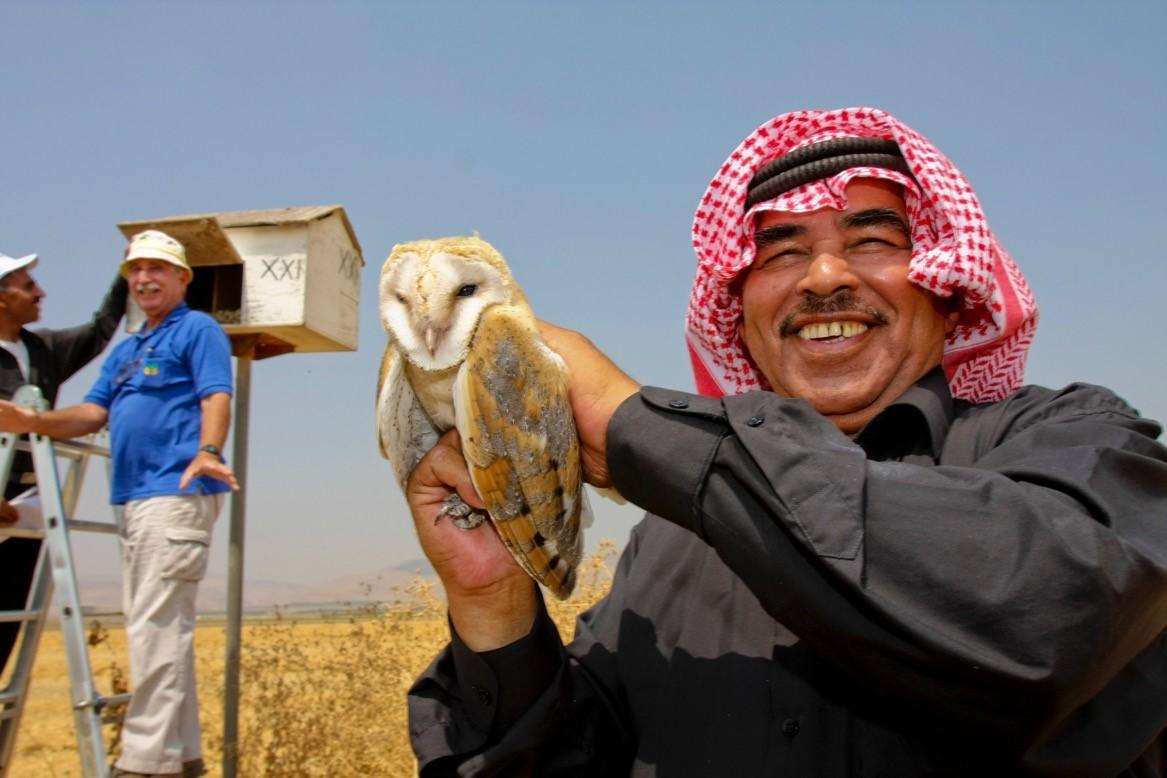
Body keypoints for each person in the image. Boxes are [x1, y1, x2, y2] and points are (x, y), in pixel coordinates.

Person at [404, 107, 1167, 775]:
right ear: (736, 309)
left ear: (948, 284)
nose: (823, 276)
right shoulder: (674, 539)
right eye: (781, 252)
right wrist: (494, 601)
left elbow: (1047, 620)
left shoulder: (1073, 442)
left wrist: (638, 425)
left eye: (873, 240)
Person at [0, 230, 238, 778]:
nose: (145, 278)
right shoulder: (130, 349)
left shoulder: (197, 329)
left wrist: (207, 449)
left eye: (158, 268)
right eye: (135, 270)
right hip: (131, 497)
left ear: (183, 278)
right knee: (159, 627)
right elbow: (91, 413)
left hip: (174, 493)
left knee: (154, 630)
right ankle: (183, 757)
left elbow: (216, 392)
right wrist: (35, 422)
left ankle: (143, 763)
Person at [0, 250, 127, 676]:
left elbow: (99, 329)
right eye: (28, 285)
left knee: (8, 623)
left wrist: (127, 271)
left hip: (30, 506)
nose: (41, 293)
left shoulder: (44, 350)